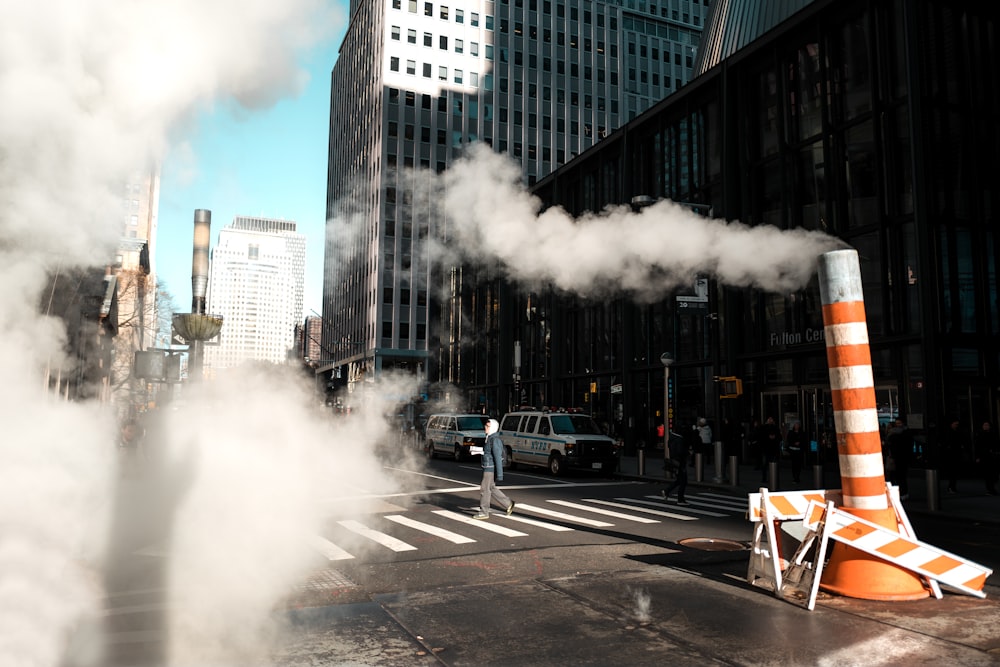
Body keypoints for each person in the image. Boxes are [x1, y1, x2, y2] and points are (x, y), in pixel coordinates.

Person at [473, 419, 515, 519]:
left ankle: (484, 512)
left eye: (487, 426)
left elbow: (497, 457)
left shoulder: (495, 440)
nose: (485, 428)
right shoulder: (489, 438)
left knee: (485, 489)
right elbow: (489, 453)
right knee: (491, 487)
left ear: (493, 428)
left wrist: (500, 474)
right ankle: (508, 503)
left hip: (490, 468)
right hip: (488, 466)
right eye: (485, 425)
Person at [661, 429, 689, 505]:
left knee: (680, 480)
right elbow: (680, 452)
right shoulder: (679, 440)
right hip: (679, 462)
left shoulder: (672, 438)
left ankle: (667, 491)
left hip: (675, 461)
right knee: (683, 481)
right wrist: (686, 453)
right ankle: (680, 499)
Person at [886, 418, 913, 499]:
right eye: (897, 423)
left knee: (898, 476)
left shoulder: (893, 434)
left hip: (898, 458)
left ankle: (901, 493)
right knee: (900, 476)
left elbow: (892, 446)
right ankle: (903, 493)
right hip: (902, 457)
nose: (898, 425)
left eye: (899, 423)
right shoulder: (906, 432)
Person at [940, 418, 967, 493]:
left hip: (955, 453)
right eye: (955, 424)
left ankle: (952, 487)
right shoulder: (950, 432)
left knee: (954, 472)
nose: (956, 425)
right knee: (952, 472)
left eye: (957, 424)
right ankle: (951, 487)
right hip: (951, 454)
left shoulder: (956, 432)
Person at [973, 421, 999, 496]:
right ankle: (990, 489)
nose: (985, 426)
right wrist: (977, 457)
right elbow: (977, 447)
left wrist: (993, 450)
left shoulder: (993, 434)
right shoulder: (980, 434)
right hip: (984, 456)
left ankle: (991, 489)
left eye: (987, 425)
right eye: (984, 425)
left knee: (992, 473)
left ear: (990, 426)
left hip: (992, 456)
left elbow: (996, 444)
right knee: (987, 474)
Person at [758, 417, 782, 483]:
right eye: (769, 419)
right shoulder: (763, 428)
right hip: (766, 449)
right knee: (765, 464)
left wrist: (775, 437)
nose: (770, 420)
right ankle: (765, 478)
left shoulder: (775, 428)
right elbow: (760, 437)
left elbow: (780, 437)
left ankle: (772, 477)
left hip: (773, 449)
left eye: (771, 419)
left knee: (772, 464)